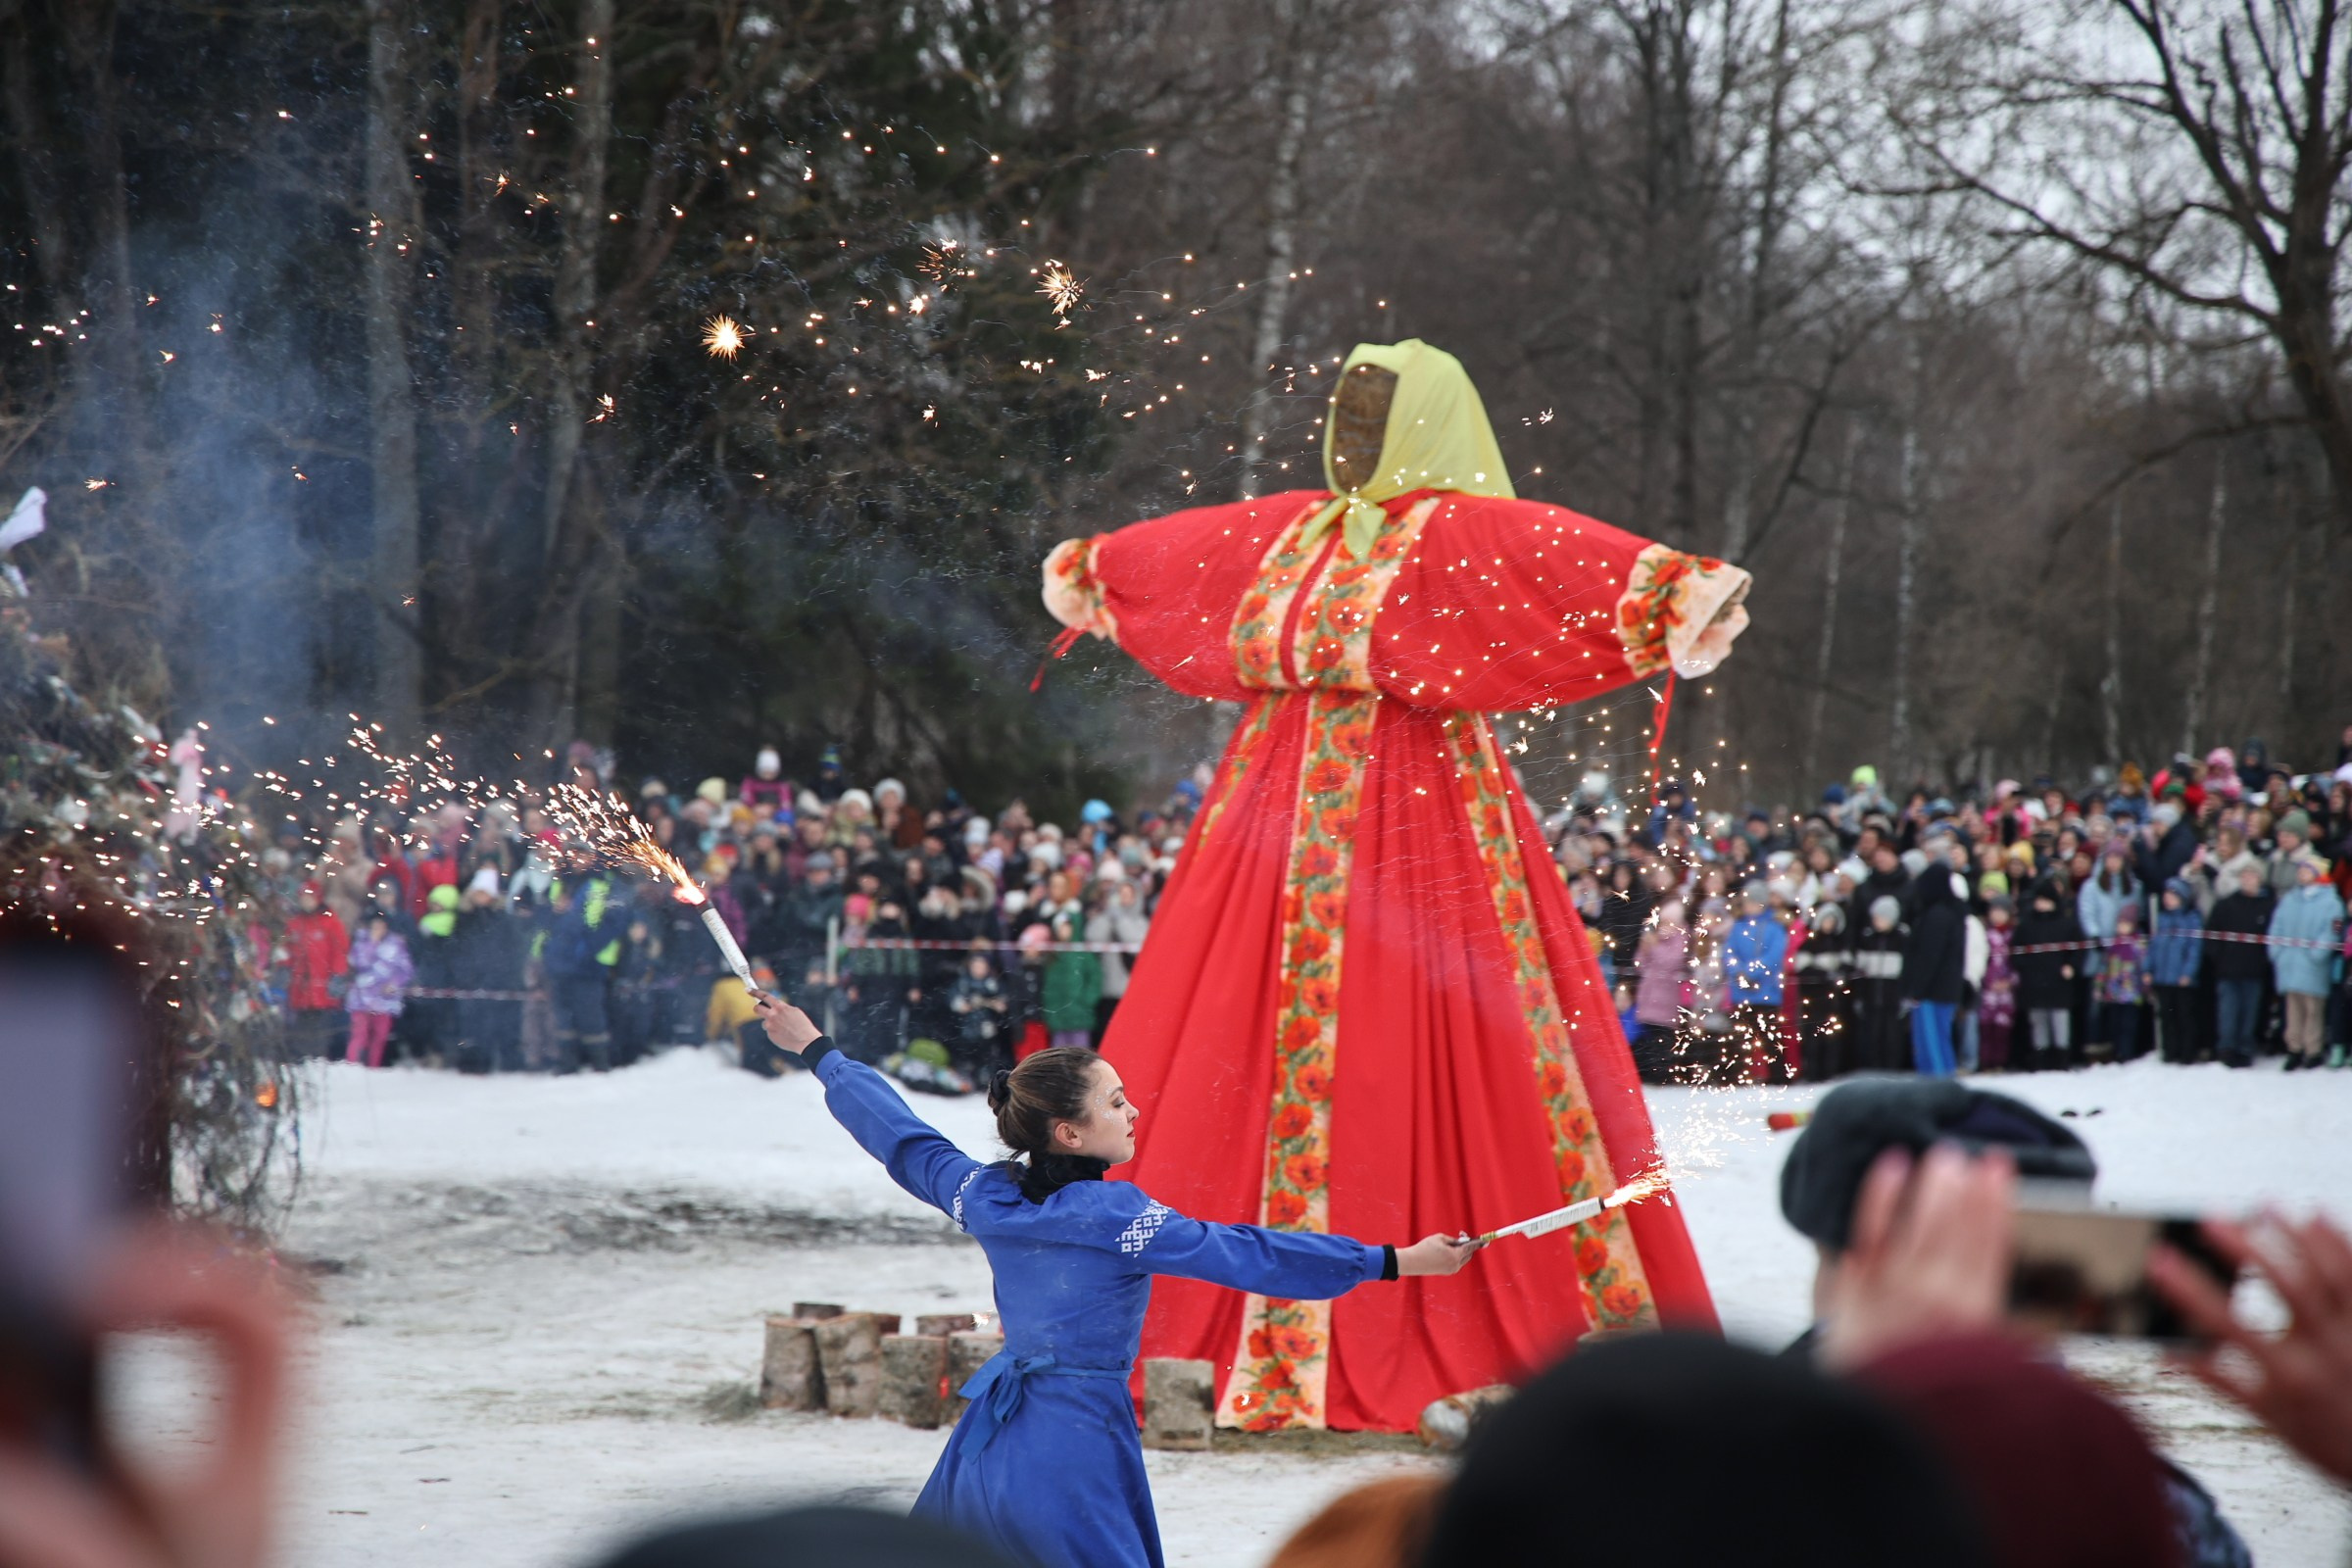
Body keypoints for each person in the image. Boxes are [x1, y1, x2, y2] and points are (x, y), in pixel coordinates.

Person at [1041, 338, 1734, 1426]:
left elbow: (1545, 552)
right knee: (1241, 1032)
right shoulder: (1306, 527)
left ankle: (1428, 1299)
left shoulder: (1449, 534)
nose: (1354, 437)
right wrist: (1102, 568)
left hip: (1417, 812)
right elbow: (1199, 550)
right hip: (1271, 831)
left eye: (1376, 416)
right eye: (1346, 414)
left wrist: (1668, 594)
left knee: (1434, 1034)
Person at [750, 996, 1481, 1568]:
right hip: (1074, 1438)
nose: (1134, 1112)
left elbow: (903, 1138)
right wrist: (1396, 1260)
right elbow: (1249, 1253)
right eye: (1116, 1103)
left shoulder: (985, 1195)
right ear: (1068, 1133)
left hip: (993, 1441)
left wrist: (819, 1051)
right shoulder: (1116, 1216)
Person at [2268, 852, 2344, 1071]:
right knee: (2293, 1009)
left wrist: (2317, 953)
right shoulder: (2290, 899)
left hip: (2313, 965)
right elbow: (2277, 925)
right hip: (2290, 963)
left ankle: (2313, 1049)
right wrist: (2277, 951)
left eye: (2306, 870)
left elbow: (2333, 930)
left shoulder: (2331, 902)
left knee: (2313, 1010)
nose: (2301, 874)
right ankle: (2294, 1047)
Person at [2207, 862, 2276, 1067]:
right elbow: (2211, 934)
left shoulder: (2268, 906)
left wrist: (2264, 962)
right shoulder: (2226, 904)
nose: (2247, 879)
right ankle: (2226, 1048)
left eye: (2252, 875)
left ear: (2259, 879)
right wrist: (2218, 958)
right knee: (2228, 1011)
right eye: (2244, 875)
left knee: (2249, 1012)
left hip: (2254, 971)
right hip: (2228, 969)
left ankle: (2245, 1048)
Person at [1721, 881, 1790, 1083]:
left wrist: (1749, 972)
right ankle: (1736, 1076)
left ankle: (1778, 1077)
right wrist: (1738, 972)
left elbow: (1774, 956)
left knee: (1770, 1037)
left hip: (1766, 992)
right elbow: (1728, 952)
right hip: (1741, 992)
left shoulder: (1775, 928)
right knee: (1739, 1037)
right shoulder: (1738, 926)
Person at [1902, 870, 1967, 1077]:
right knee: (1936, 1040)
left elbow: (1929, 956)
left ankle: (1940, 1089)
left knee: (1932, 1044)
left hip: (1932, 991)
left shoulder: (1937, 916)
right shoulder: (1950, 913)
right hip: (1943, 988)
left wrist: (1917, 988)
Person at [2012, 883, 2082, 1070]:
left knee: (2059, 1020)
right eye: (2039, 900)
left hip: (2059, 981)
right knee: (2038, 1020)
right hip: (2033, 982)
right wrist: (2024, 968)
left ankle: (2062, 1058)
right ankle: (2040, 1058)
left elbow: (2078, 950)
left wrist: (2071, 966)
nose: (2041, 905)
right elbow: (2016, 951)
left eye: (2045, 901)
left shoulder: (2066, 924)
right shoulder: (2026, 926)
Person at [280, 880, 347, 1059]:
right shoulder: (294, 923)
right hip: (300, 985)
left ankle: (318, 1056)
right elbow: (286, 950)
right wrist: (284, 967)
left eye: (310, 898)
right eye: (303, 898)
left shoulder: (330, 922)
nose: (306, 902)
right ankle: (301, 1056)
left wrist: (338, 974)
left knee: (320, 1023)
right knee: (301, 1022)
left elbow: (339, 950)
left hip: (321, 984)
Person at [343, 909, 413, 1067]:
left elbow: (406, 969)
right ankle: (351, 1065)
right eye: (374, 926)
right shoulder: (360, 943)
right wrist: (371, 945)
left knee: (380, 1035)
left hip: (385, 998)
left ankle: (373, 1067)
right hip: (362, 996)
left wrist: (394, 984)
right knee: (359, 1034)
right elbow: (356, 963)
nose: (377, 929)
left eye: (381, 926)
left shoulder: (396, 945)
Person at [1630, 900, 1687, 1084]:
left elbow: (1671, 962)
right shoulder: (1655, 937)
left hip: (1667, 997)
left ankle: (1662, 1075)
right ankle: (1648, 1072)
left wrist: (1652, 948)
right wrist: (1644, 948)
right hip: (1649, 995)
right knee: (1648, 1037)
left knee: (1663, 1038)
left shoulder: (1681, 938)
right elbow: (1639, 964)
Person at [2147, 878, 2204, 1062]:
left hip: (2181, 978)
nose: (2167, 898)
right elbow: (2154, 947)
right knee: (2166, 1016)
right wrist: (2149, 969)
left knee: (2185, 1016)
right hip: (2163, 978)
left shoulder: (2191, 919)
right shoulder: (2162, 919)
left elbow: (2194, 949)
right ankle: (2170, 1050)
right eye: (2166, 895)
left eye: (2172, 895)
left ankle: (2188, 1052)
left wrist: (2188, 973)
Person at [1849, 896, 1908, 1072]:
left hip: (1893, 997)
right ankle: (1872, 1068)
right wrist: (1859, 996)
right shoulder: (1868, 938)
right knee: (1871, 1036)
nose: (1876, 921)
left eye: (1880, 918)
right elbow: (1860, 970)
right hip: (1871, 996)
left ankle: (1891, 1068)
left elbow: (1907, 972)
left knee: (1892, 1037)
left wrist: (1905, 996)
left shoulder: (1902, 938)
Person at [2093, 904, 2149, 1061]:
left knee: (2129, 1026)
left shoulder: (2138, 945)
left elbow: (2144, 967)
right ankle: (2117, 1052)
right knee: (2115, 1025)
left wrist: (2146, 987)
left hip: (2132, 993)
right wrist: (2099, 986)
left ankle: (2127, 1053)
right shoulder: (2113, 945)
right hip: (2114, 993)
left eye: (2126, 924)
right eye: (2120, 924)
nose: (2122, 927)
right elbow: (2104, 967)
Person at [1977, 897, 2017, 1072]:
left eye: (2002, 912)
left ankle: (2000, 1062)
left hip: (2007, 990)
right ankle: (1986, 1062)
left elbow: (2018, 963)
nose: (1998, 915)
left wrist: (2011, 981)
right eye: (1994, 911)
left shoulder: (2013, 936)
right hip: (1988, 988)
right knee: (1986, 1026)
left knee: (2002, 1027)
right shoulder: (1985, 935)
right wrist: (1985, 980)